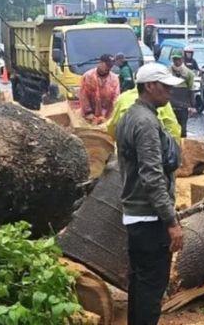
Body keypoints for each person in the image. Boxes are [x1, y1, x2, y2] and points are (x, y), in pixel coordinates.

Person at [115, 63, 185, 325]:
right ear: (149, 86)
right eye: (164, 86)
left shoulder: (134, 115)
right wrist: (171, 222)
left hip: (138, 216)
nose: (169, 91)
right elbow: (152, 176)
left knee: (141, 285)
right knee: (152, 288)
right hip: (149, 218)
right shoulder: (144, 123)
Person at [80, 54, 121, 125]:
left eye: (110, 66)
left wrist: (112, 116)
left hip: (107, 118)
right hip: (89, 117)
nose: (108, 68)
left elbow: (116, 98)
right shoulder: (88, 76)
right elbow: (84, 96)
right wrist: (88, 113)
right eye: (107, 65)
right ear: (100, 62)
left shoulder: (114, 79)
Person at [168, 49, 195, 138]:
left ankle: (182, 150)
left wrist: (192, 106)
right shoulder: (167, 72)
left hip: (183, 105)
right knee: (170, 130)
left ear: (182, 59)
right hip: (170, 105)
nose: (176, 61)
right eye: (174, 59)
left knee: (182, 130)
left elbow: (191, 90)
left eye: (178, 59)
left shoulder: (189, 73)